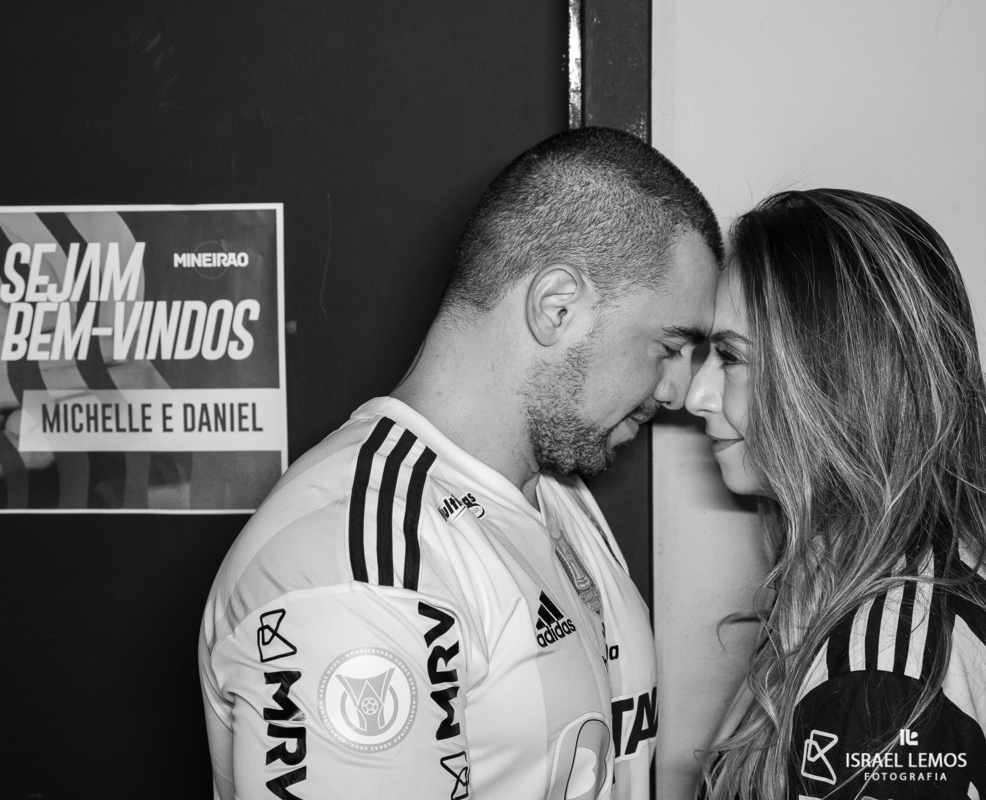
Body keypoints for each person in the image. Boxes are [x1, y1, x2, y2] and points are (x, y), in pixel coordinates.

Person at [199, 127, 722, 800]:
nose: (679, 390)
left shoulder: (557, 494)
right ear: (556, 307)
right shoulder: (355, 572)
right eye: (670, 344)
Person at [687, 188, 986, 799]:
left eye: (731, 358)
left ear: (832, 379)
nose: (698, 397)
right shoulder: (868, 583)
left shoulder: (882, 682)